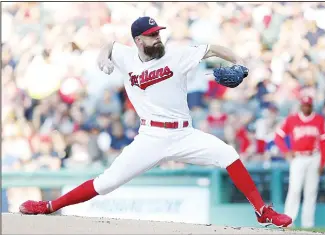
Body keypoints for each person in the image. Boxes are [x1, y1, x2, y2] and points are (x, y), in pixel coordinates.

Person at [19, 16, 292, 228]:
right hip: (150, 137)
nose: (157, 38)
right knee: (106, 183)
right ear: (138, 40)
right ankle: (50, 206)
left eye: (158, 33)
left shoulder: (177, 55)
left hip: (184, 135)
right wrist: (103, 56)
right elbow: (110, 47)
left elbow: (212, 49)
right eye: (151, 36)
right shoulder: (126, 55)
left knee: (229, 155)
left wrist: (241, 63)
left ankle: (261, 211)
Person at [274, 96, 325, 228]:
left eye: (308, 105)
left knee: (311, 191)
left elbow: (323, 142)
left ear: (312, 106)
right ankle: (288, 222)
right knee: (295, 189)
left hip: (314, 156)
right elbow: (278, 136)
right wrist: (286, 151)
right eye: (304, 105)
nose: (306, 107)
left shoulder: (319, 120)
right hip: (298, 157)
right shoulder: (292, 119)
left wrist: (323, 162)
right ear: (300, 106)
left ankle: (308, 224)